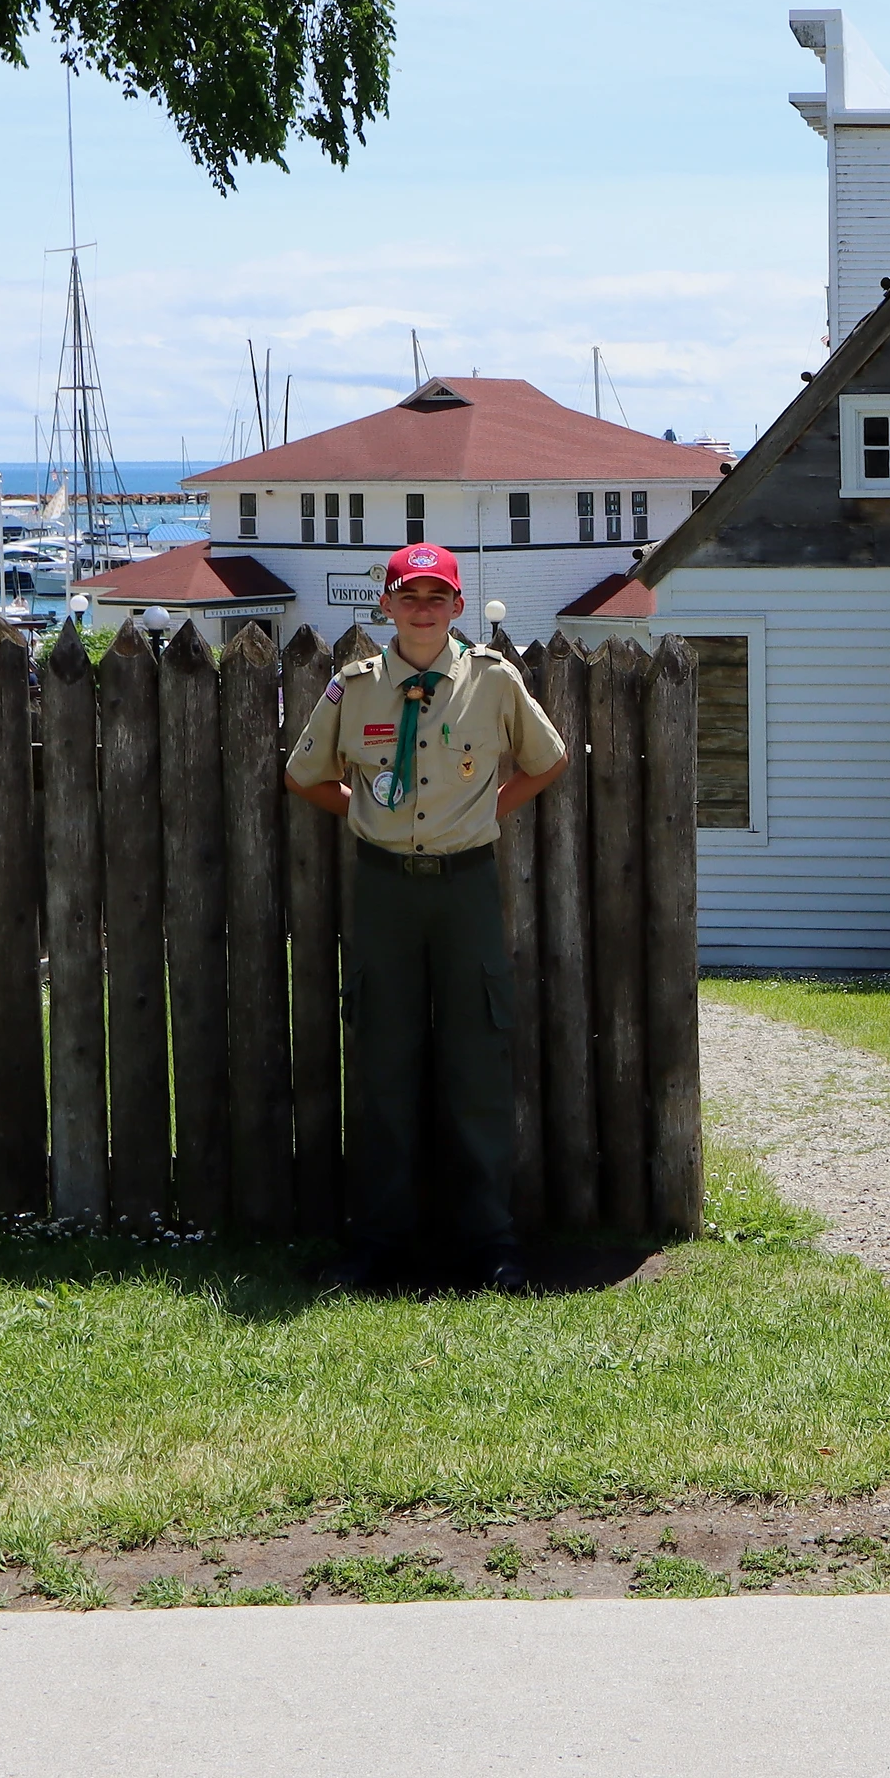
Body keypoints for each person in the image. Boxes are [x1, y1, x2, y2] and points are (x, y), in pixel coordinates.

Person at [286, 544, 568, 1291]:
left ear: (457, 606)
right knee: (384, 1062)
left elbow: (548, 760)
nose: (421, 610)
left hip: (464, 887)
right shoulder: (354, 689)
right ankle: (379, 1241)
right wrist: (364, 817)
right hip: (385, 891)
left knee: (477, 1061)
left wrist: (484, 814)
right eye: (407, 596)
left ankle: (491, 1242)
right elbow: (303, 774)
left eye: (435, 597)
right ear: (385, 605)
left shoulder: (492, 681)